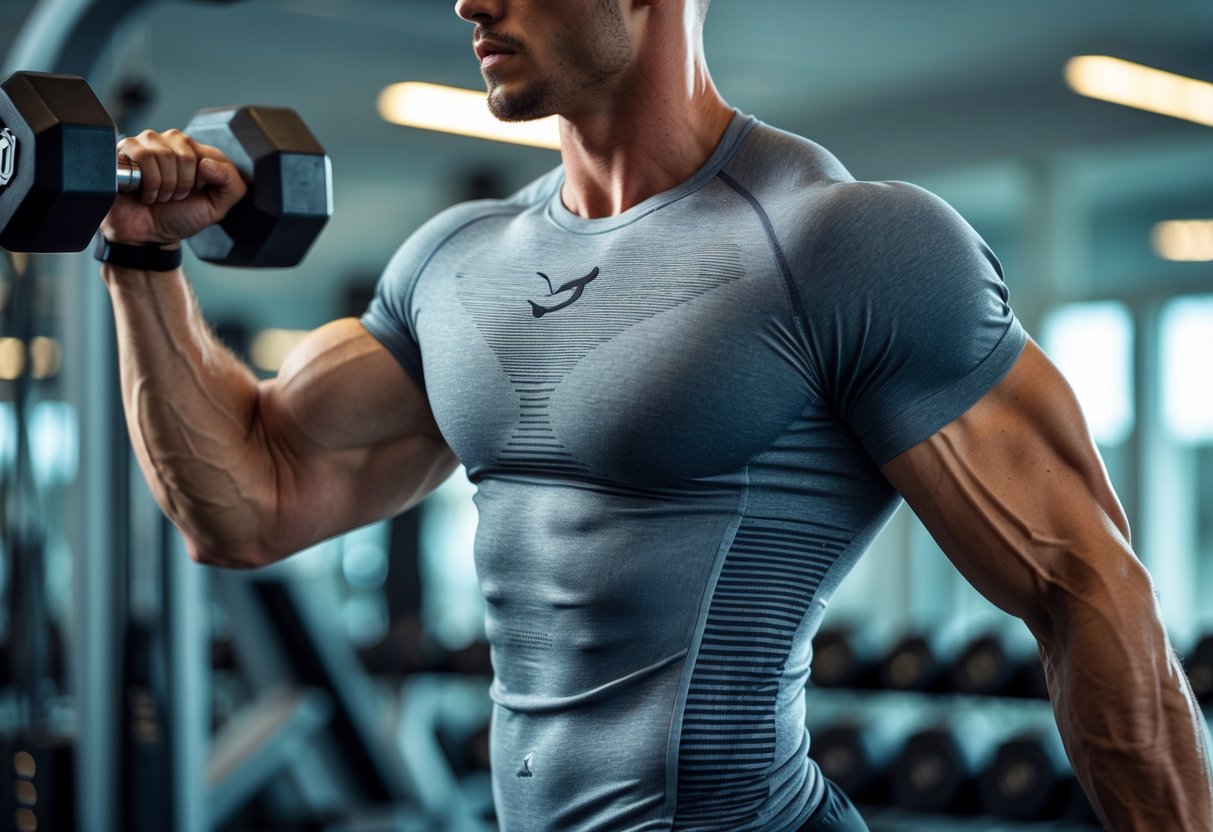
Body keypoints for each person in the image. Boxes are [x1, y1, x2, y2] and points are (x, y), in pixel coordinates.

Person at [95, 0, 1212, 829]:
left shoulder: (842, 243)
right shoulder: (453, 263)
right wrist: (140, 263)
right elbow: (247, 506)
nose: (467, 3)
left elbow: (1090, 594)